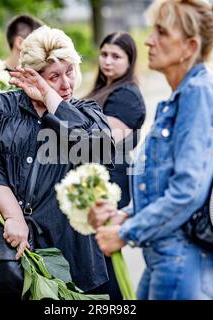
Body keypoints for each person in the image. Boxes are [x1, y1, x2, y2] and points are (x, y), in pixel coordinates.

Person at [0, 25, 115, 300]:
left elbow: (97, 150)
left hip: (69, 252)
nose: (66, 84)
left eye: (70, 71)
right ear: (31, 75)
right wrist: (14, 217)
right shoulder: (0, 109)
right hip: (10, 245)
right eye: (54, 76)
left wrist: (51, 98)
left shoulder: (88, 113)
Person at [88, 0, 213, 300]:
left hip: (185, 261)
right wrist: (124, 215)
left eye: (161, 32)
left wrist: (125, 233)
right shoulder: (183, 94)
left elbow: (188, 190)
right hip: (167, 258)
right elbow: (163, 185)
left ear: (189, 46)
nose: (148, 40)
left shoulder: (198, 93)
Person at [84, 31, 146, 300]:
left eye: (116, 56)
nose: (107, 61)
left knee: (105, 263)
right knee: (95, 260)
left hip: (112, 186)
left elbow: (102, 143)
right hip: (95, 183)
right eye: (104, 54)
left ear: (129, 61)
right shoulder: (100, 89)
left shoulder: (127, 95)